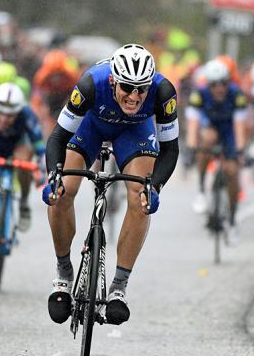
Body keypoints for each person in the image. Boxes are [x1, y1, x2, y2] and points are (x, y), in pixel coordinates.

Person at [43, 44, 179, 325]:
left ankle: (119, 287)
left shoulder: (163, 92)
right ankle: (63, 273)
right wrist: (53, 176)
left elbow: (171, 149)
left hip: (134, 131)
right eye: (128, 87)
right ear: (113, 80)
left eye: (141, 89)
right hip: (91, 126)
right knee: (63, 190)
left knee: (140, 198)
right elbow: (57, 137)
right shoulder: (91, 84)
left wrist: (155, 187)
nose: (134, 96)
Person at [0, 82, 45, 277]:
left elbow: (39, 146)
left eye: (10, 115)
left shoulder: (27, 114)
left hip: (18, 149)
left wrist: (42, 169)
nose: (4, 119)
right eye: (0, 113)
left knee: (24, 160)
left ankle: (23, 202)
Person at [186, 59, 247, 245]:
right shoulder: (199, 95)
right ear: (208, 84)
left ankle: (233, 220)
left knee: (232, 172)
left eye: (223, 83)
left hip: (229, 130)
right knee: (207, 140)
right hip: (210, 126)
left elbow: (239, 125)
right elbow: (193, 124)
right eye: (214, 84)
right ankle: (202, 190)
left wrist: (240, 150)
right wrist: (191, 147)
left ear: (229, 82)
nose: (219, 88)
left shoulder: (237, 95)